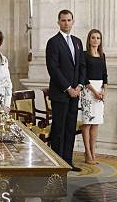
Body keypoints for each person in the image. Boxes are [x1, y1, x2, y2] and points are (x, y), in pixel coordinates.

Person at [45, 10, 86, 172]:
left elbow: (82, 66)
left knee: (70, 128)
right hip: (60, 93)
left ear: (73, 21)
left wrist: (79, 86)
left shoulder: (77, 41)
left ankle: (68, 162)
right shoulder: (53, 42)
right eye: (63, 20)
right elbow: (53, 69)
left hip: (75, 93)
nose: (66, 23)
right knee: (58, 129)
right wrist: (68, 88)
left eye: (69, 20)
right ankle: (57, 164)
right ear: (58, 22)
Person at [80, 29, 108, 164]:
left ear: (100, 40)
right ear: (89, 40)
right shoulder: (84, 55)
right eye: (93, 37)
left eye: (98, 38)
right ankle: (87, 153)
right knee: (87, 123)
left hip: (100, 91)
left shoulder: (102, 55)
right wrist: (95, 92)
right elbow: (83, 77)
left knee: (95, 123)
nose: (95, 40)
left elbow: (105, 76)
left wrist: (103, 91)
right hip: (88, 90)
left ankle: (93, 152)